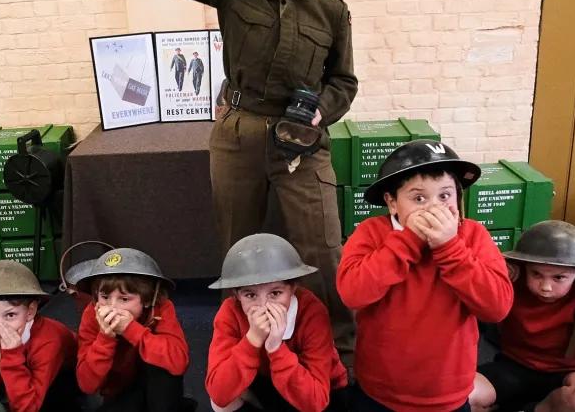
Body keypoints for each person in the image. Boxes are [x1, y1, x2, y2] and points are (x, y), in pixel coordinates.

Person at [132, 0, 359, 354]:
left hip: (303, 142)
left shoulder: (329, 9)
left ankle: (339, 352)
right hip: (238, 137)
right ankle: (243, 345)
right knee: (240, 249)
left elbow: (344, 80)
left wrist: (320, 110)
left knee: (322, 249)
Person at [335, 141, 513, 412]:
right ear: (391, 202)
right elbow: (352, 292)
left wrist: (450, 248)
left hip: (447, 394)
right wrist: (407, 241)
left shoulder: (473, 236)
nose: (433, 208)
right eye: (419, 198)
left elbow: (497, 307)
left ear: (458, 197)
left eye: (444, 196)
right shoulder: (372, 233)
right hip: (379, 391)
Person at [472, 220, 575, 412]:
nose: (545, 287)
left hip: (569, 372)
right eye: (536, 274)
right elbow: (476, 318)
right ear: (523, 266)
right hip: (515, 365)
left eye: (559, 277)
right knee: (462, 395)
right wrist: (496, 284)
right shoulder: (512, 275)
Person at [206, 234, 348, 412]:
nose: (264, 306)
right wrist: (252, 340)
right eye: (250, 295)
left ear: (293, 288)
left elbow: (316, 401)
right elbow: (219, 393)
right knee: (222, 403)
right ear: (236, 295)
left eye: (275, 293)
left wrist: (275, 348)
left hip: (316, 391)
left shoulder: (312, 312)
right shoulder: (230, 312)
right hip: (266, 382)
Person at [71, 248, 190, 412]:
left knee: (163, 366)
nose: (112, 308)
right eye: (105, 297)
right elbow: (87, 384)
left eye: (124, 299)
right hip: (119, 392)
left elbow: (178, 362)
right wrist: (105, 338)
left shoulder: (161, 309)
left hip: (158, 391)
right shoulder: (92, 314)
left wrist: (131, 329)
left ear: (147, 300)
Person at [0, 260, 80, 411]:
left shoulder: (49, 340)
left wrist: (11, 355)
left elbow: (28, 408)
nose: (0, 326)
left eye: (10, 315)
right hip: (18, 378)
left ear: (30, 311)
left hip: (63, 376)